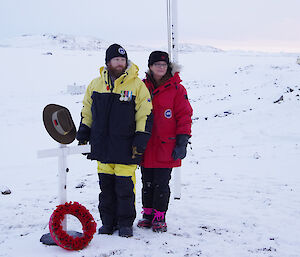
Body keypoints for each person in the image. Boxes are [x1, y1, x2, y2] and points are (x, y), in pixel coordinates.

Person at [76, 44, 153, 237]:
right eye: (116, 60)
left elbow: (145, 113)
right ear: (108, 62)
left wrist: (141, 137)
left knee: (125, 188)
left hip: (126, 147)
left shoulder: (137, 85)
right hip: (102, 147)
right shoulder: (95, 85)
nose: (120, 63)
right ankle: (108, 223)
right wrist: (84, 131)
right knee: (106, 188)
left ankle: (125, 223)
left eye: (122, 60)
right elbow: (87, 109)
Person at [137, 51, 193, 232]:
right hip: (146, 144)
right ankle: (147, 213)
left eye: (163, 65)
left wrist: (182, 140)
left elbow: (184, 115)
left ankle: (160, 215)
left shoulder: (177, 89)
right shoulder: (141, 87)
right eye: (157, 64)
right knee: (147, 181)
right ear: (150, 67)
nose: (161, 67)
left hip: (166, 145)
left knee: (162, 182)